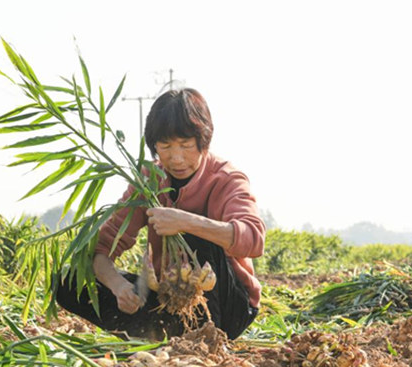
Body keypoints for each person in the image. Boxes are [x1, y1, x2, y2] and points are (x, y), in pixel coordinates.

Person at [56, 88, 265, 340]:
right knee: (70, 281)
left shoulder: (227, 179)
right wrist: (118, 286)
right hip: (170, 301)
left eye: (186, 146)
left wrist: (186, 221)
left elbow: (254, 239)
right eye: (165, 146)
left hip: (229, 307)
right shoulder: (148, 180)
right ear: (154, 145)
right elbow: (102, 249)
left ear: (204, 142)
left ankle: (207, 339)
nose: (176, 158)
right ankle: (162, 334)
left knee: (196, 238)